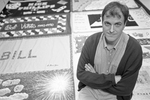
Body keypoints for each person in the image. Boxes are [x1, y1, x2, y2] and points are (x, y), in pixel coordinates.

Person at [76, 1, 143, 100]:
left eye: (117, 24)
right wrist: (113, 79)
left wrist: (95, 77)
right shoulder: (91, 41)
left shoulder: (134, 49)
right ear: (102, 22)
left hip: (116, 95)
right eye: (107, 24)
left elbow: (125, 89)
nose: (111, 30)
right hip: (90, 90)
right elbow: (81, 74)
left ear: (124, 25)